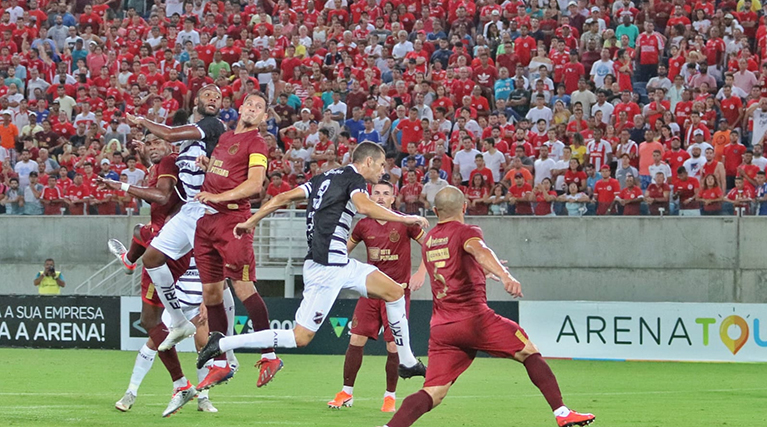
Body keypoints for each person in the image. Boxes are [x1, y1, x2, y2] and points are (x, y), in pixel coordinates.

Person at [196, 142, 429, 381]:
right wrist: (405, 218)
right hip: (326, 269)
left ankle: (407, 362)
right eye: (380, 165)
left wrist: (251, 221)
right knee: (300, 337)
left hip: (340, 263)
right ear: (368, 161)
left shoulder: (322, 179)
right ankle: (222, 342)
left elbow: (283, 197)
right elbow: (364, 207)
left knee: (394, 292)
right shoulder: (355, 179)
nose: (382, 172)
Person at [378, 186, 595, 427]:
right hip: (474, 319)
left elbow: (452, 266)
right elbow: (480, 250)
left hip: (442, 329)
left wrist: (482, 269)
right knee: (528, 351)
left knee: (434, 392)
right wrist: (504, 275)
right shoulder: (466, 231)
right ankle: (562, 413)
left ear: (434, 210)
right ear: (464, 207)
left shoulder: (429, 240)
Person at [98, 133, 212, 417]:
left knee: (152, 322)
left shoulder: (171, 162)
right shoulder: (162, 166)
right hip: (165, 245)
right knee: (141, 231)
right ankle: (183, 384)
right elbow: (159, 190)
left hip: (166, 250)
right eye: (148, 143)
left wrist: (121, 185)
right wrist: (142, 156)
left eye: (156, 142)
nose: (151, 147)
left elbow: (162, 195)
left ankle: (185, 385)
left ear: (170, 146)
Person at [126, 85, 228, 352]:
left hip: (209, 211)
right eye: (208, 95)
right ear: (196, 100)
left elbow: (169, 133)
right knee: (151, 258)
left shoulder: (212, 125)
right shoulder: (187, 147)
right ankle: (182, 325)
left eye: (218, 97)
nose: (213, 99)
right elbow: (173, 185)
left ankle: (251, 351)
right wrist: (147, 158)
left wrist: (142, 121)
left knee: (220, 293)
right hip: (189, 212)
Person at [193, 92, 282, 391]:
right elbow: (228, 174)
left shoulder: (257, 143)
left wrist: (218, 196)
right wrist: (209, 167)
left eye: (259, 108)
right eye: (249, 104)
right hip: (206, 220)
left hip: (233, 222)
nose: (253, 109)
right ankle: (220, 364)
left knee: (244, 289)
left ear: (263, 117)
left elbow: (255, 185)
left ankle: (269, 355)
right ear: (241, 108)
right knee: (212, 295)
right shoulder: (225, 137)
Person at [328, 180, 427, 412]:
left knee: (393, 346)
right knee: (356, 340)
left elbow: (429, 246)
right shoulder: (363, 226)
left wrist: (421, 272)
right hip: (370, 292)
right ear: (370, 198)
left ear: (393, 199)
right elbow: (344, 251)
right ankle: (346, 392)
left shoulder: (405, 223)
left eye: (386, 194)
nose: (381, 197)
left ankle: (389, 396)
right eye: (377, 193)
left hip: (397, 294)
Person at [114, 257, 230, 415]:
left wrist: (206, 301)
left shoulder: (207, 245)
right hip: (174, 304)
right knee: (154, 343)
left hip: (198, 304)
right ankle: (130, 393)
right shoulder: (177, 241)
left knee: (205, 346)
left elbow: (216, 276)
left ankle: (203, 398)